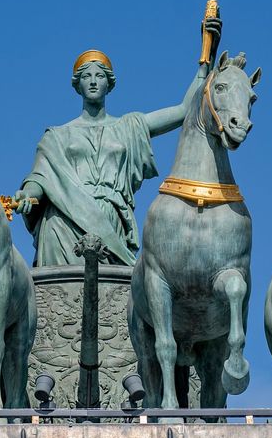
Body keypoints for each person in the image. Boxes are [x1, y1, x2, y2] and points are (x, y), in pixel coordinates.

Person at [12, 15, 221, 266]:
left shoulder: (129, 127)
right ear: (76, 85)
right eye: (86, 76)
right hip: (62, 224)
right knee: (60, 300)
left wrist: (205, 59)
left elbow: (184, 110)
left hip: (111, 221)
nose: (92, 81)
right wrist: (27, 195)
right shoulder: (56, 136)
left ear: (109, 84)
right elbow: (40, 179)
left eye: (99, 75)